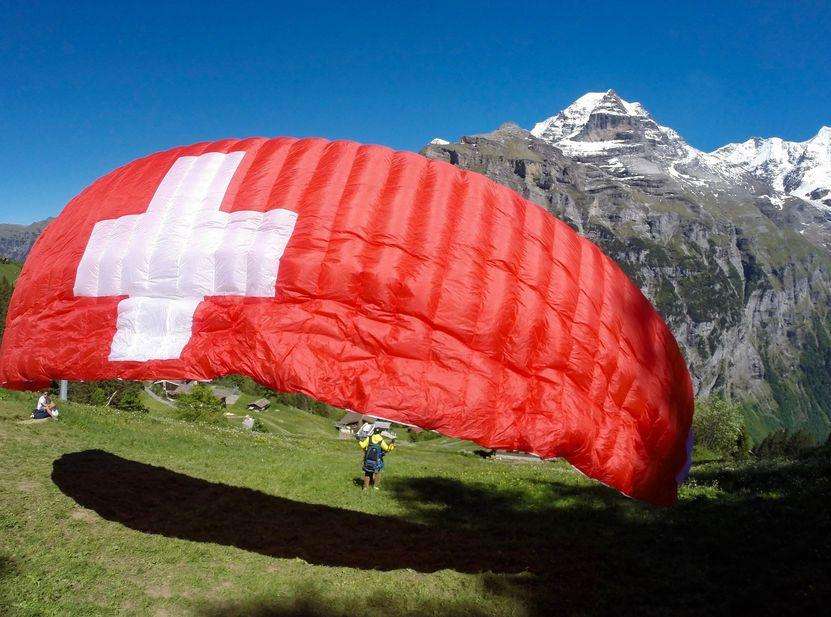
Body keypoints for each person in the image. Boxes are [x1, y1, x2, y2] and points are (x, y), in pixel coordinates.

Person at [359, 426, 395, 490]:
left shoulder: (369, 438)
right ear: (380, 433)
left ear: (373, 431)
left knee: (367, 473)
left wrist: (359, 440)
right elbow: (387, 449)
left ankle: (365, 487)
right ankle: (375, 486)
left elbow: (362, 445)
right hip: (377, 460)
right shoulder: (381, 440)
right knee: (377, 473)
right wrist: (392, 443)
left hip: (368, 460)